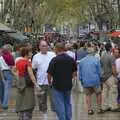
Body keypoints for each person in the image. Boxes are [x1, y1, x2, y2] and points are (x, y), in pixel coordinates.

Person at [47, 43, 77, 120]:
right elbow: (74, 73)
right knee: (67, 103)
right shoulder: (71, 59)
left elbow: (49, 74)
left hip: (57, 86)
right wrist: (70, 80)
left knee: (59, 104)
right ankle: (68, 118)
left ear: (57, 49)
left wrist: (50, 83)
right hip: (68, 85)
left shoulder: (54, 60)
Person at [15, 46, 40, 120]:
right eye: (31, 52)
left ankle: (21, 117)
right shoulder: (27, 62)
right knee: (29, 104)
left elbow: (14, 70)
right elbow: (31, 76)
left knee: (21, 103)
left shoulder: (18, 61)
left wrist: (19, 78)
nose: (32, 54)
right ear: (26, 54)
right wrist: (37, 86)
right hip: (27, 85)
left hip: (20, 84)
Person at [32, 40, 56, 117]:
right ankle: (45, 117)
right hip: (41, 83)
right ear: (39, 47)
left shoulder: (52, 55)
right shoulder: (36, 56)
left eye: (46, 45)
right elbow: (33, 69)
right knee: (42, 103)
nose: (45, 47)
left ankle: (55, 116)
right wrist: (35, 83)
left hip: (52, 82)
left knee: (54, 102)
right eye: (43, 46)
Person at [78, 43, 103, 115]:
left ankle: (90, 110)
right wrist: (100, 79)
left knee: (88, 95)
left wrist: (81, 80)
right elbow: (99, 72)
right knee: (98, 94)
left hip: (86, 81)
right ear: (93, 53)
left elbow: (80, 73)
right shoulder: (96, 60)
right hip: (95, 80)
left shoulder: (81, 61)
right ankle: (99, 108)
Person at [101, 43, 119, 112]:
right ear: (110, 48)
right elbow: (113, 68)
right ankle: (114, 106)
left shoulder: (102, 56)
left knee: (105, 92)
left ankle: (105, 106)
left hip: (104, 76)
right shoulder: (111, 57)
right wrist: (116, 75)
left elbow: (101, 66)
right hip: (110, 76)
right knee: (113, 91)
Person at [0, 44, 15, 113]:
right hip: (9, 73)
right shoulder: (10, 56)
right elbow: (12, 66)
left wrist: (2, 77)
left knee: (3, 89)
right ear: (9, 50)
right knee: (7, 90)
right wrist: (14, 74)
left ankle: (3, 102)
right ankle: (5, 104)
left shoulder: (1, 57)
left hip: (3, 73)